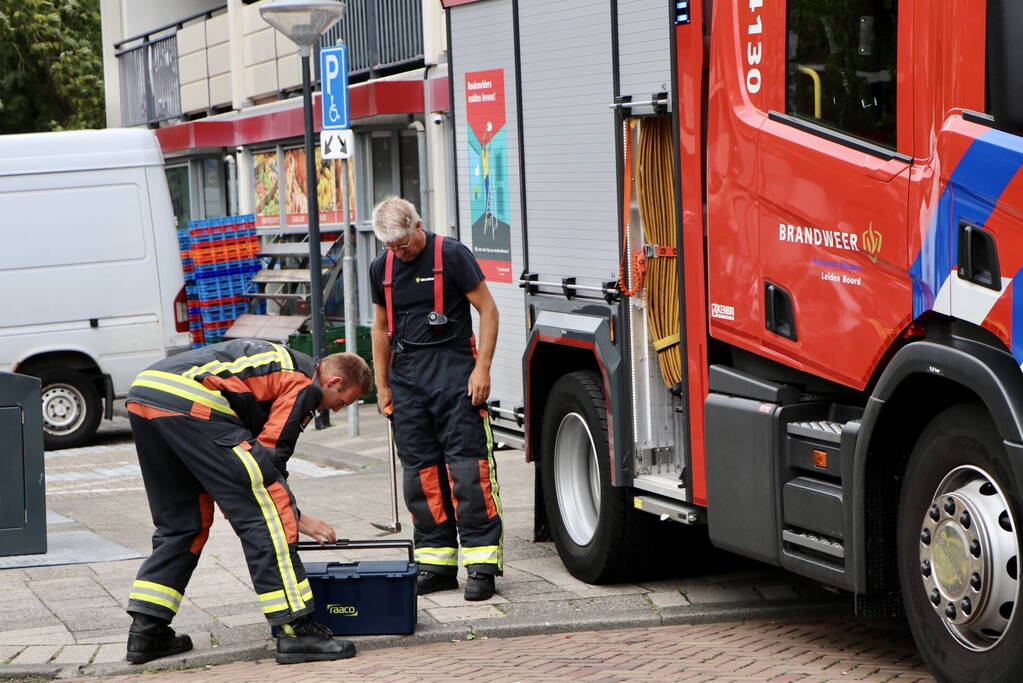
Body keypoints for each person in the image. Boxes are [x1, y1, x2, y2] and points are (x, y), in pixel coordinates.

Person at [122, 339, 372, 665]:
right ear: (335, 381)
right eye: (342, 402)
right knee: (270, 514)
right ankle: (297, 631)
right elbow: (269, 456)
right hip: (193, 402)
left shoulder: (276, 370)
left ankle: (147, 630)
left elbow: (242, 464)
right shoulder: (303, 381)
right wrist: (295, 516)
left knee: (184, 521)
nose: (334, 409)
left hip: (146, 394)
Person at [369, 196, 504, 602]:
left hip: (455, 378)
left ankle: (481, 566)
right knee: (421, 476)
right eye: (391, 247)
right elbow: (379, 329)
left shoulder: (453, 255)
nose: (399, 252)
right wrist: (383, 385)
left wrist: (482, 368)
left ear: (417, 225)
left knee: (468, 472)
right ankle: (437, 564)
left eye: (403, 243)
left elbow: (489, 310)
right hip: (408, 384)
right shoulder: (382, 268)